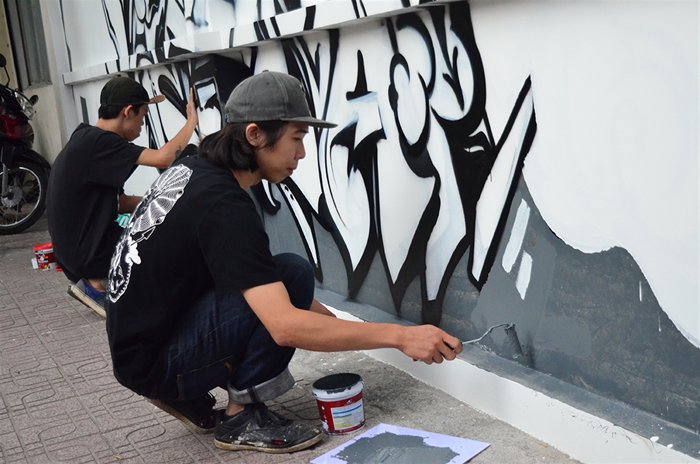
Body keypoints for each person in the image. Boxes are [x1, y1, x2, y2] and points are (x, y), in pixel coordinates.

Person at [105, 71, 463, 454]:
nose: (302, 153)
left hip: (139, 348)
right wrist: (401, 336)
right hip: (156, 363)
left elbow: (254, 281)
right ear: (255, 135)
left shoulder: (194, 171)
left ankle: (187, 391)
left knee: (287, 276)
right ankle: (240, 416)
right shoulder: (224, 205)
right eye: (297, 138)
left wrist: (336, 326)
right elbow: (284, 327)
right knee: (292, 273)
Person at [47, 76, 198, 318]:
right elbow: (164, 158)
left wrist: (163, 202)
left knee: (158, 227)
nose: (142, 126)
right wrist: (191, 122)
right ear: (128, 111)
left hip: (74, 252)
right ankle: (100, 283)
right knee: (166, 242)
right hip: (87, 254)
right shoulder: (100, 142)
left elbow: (121, 203)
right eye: (142, 117)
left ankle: (99, 281)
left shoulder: (87, 139)